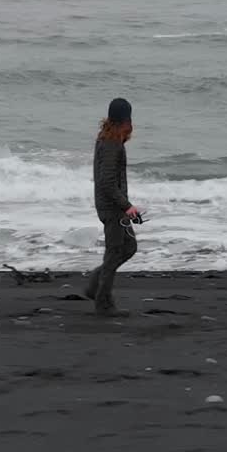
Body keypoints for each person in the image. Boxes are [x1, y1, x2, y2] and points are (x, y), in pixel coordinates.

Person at [85, 97, 141, 317]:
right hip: (112, 208)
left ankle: (94, 286)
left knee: (129, 248)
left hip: (112, 206)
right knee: (115, 252)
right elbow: (108, 182)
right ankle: (103, 302)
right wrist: (126, 206)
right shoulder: (111, 144)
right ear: (126, 119)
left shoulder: (109, 139)